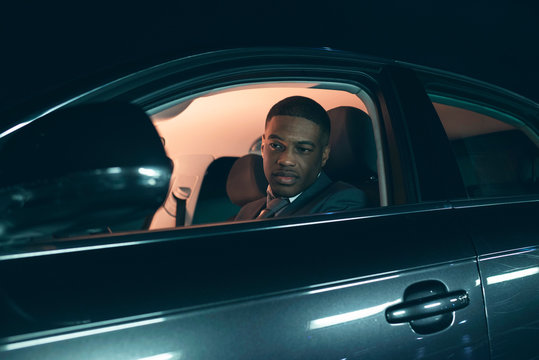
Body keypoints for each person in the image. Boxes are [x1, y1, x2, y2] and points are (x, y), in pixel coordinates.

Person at [234, 96, 367, 220]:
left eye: (303, 149)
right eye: (276, 145)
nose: (286, 160)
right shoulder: (246, 212)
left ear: (324, 156)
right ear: (263, 147)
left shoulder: (344, 202)